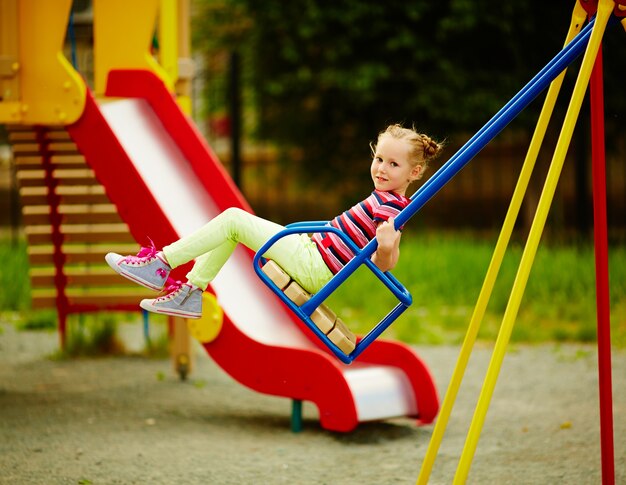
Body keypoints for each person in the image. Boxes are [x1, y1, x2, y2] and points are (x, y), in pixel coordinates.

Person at [105, 123, 444, 319]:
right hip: (310, 248)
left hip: (315, 265)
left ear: (414, 172)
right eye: (379, 158)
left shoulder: (392, 208)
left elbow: (385, 261)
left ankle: (161, 265)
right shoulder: (387, 199)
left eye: (393, 165)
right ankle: (191, 291)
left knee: (233, 219)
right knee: (233, 228)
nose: (381, 168)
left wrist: (386, 247)